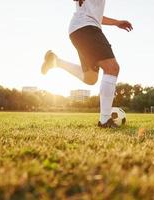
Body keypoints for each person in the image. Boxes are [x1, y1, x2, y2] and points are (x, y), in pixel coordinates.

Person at [41, 0, 133, 128]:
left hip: (79, 30)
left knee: (90, 78)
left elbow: (96, 16)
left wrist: (116, 22)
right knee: (112, 68)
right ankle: (105, 120)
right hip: (86, 28)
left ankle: (56, 62)